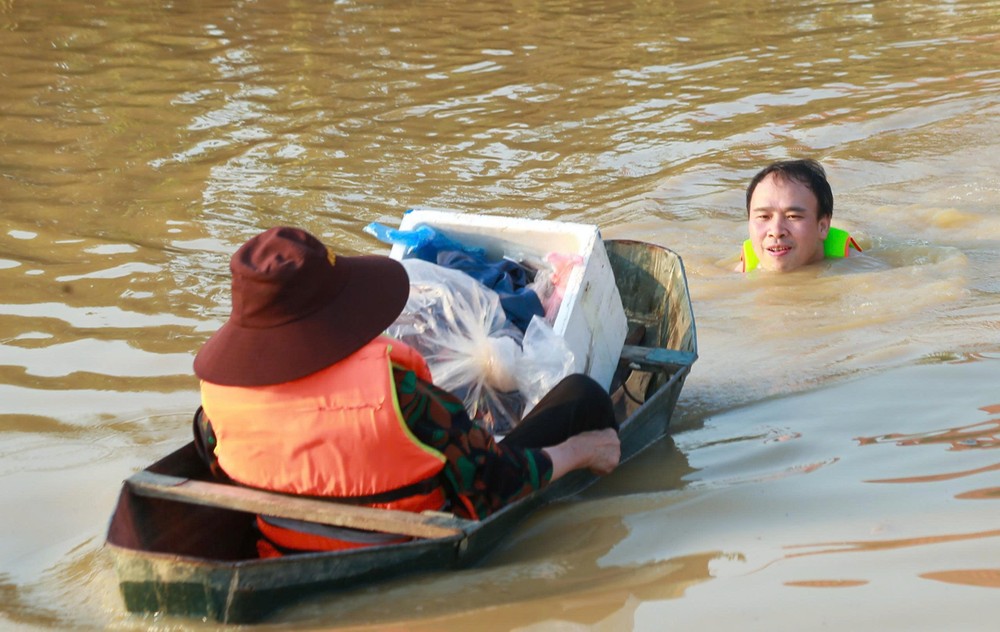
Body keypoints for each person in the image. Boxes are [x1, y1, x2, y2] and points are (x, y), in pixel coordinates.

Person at [191, 226, 621, 557]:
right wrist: (580, 451)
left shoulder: (217, 403)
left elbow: (225, 467)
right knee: (581, 395)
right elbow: (494, 484)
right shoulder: (398, 392)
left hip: (281, 549)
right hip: (407, 543)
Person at [736, 159, 861, 273]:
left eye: (792, 216)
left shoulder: (855, 266)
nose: (776, 231)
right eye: (764, 217)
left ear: (822, 227)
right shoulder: (740, 272)